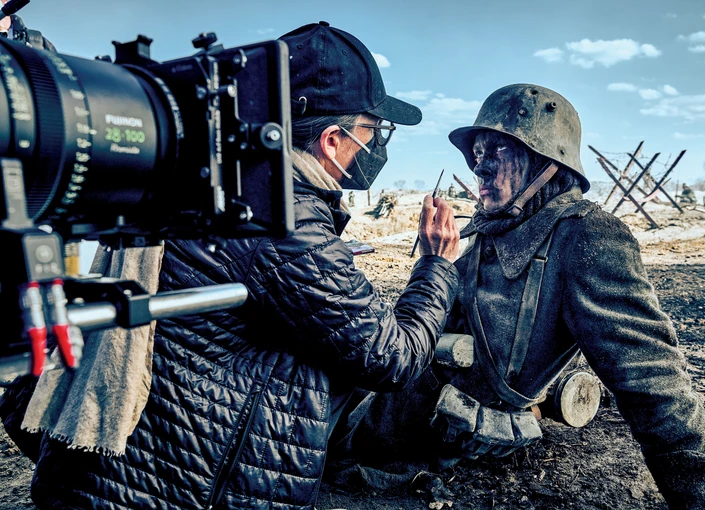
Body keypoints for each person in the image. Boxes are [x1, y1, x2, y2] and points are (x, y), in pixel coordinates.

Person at [17, 21, 461, 509]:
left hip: (114, 477)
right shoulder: (280, 217)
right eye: (370, 131)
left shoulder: (210, 181)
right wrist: (436, 265)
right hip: (162, 491)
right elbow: (391, 357)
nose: (374, 145)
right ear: (332, 140)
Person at [325, 84, 705, 509]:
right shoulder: (492, 230)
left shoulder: (587, 237)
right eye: (477, 153)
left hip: (419, 431)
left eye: (498, 150)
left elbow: (655, 387)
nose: (480, 167)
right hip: (394, 409)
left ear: (546, 163)